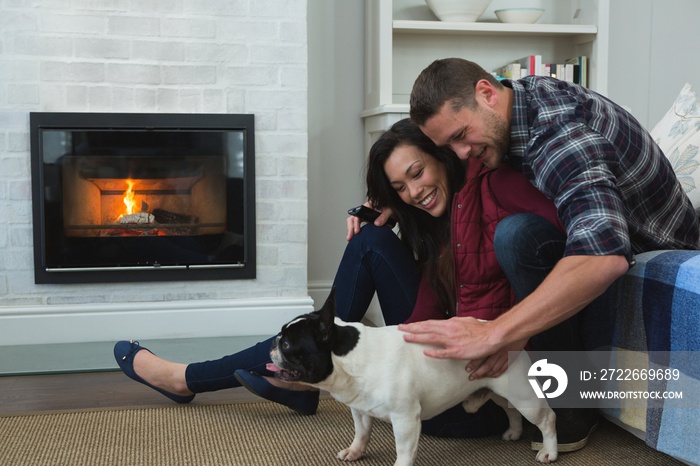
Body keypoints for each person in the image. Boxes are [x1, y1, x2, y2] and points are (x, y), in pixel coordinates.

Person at [114, 118, 560, 440]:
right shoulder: (433, 216)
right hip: (437, 362)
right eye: (400, 187)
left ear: (443, 155)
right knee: (369, 241)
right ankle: (298, 374)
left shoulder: (497, 197)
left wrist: (510, 338)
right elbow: (433, 303)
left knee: (368, 246)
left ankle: (196, 378)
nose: (414, 191)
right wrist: (391, 210)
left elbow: (541, 252)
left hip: (469, 391)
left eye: (418, 172)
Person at [392, 58, 700, 451]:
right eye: (448, 145)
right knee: (518, 231)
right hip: (601, 233)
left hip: (647, 245)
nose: (461, 152)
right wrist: (390, 201)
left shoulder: (557, 136)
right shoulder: (513, 101)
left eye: (461, 135)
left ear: (486, 94)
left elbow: (605, 255)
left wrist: (497, 332)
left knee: (517, 236)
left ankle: (572, 403)